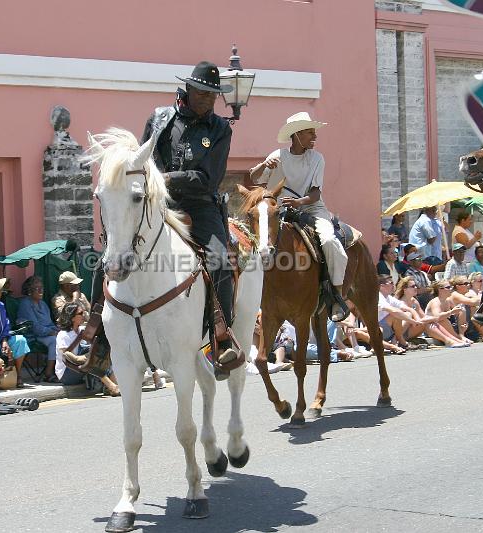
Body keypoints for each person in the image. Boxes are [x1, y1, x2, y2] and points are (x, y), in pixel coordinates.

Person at [140, 60, 240, 377]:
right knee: (115, 251)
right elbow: (143, 160)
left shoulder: (220, 129)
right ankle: (97, 338)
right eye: (206, 94)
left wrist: (168, 178)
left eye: (214, 95)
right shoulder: (159, 119)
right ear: (190, 89)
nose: (211, 101)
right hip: (159, 202)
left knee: (221, 260)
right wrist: (154, 184)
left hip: (201, 205)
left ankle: (221, 338)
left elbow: (209, 179)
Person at [247, 111, 350, 321]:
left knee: (330, 241)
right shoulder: (277, 156)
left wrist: (298, 202)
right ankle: (254, 292)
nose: (315, 136)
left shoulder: (317, 158)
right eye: (310, 132)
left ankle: (336, 296)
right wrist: (263, 166)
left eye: (314, 132)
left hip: (312, 208)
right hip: (281, 211)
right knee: (259, 244)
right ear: (296, 135)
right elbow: (254, 177)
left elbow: (315, 193)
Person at [55, 302, 120, 395]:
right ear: (72, 318)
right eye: (81, 313)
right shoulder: (63, 334)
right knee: (91, 362)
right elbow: (65, 355)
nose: (84, 315)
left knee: (103, 354)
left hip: (81, 367)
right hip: (67, 372)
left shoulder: (82, 330)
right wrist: (80, 358)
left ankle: (113, 385)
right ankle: (111, 387)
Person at [395, 277, 468, 348]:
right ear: (405, 290)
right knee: (428, 322)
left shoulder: (414, 301)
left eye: (416, 286)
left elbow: (423, 317)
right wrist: (434, 318)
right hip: (400, 333)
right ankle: (449, 340)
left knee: (431, 322)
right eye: (412, 286)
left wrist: (432, 319)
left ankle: (453, 340)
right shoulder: (401, 303)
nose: (416, 288)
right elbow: (417, 321)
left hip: (412, 330)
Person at [17, 276, 59, 382]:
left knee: (65, 336)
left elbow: (49, 323)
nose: (41, 291)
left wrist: (58, 330)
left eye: (42, 288)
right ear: (29, 291)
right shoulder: (26, 304)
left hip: (46, 334)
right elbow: (34, 327)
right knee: (54, 341)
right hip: (33, 336)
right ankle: (49, 373)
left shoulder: (43, 304)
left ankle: (61, 371)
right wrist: (51, 332)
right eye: (37, 288)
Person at [377, 275, 423, 352]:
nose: (393, 285)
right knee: (395, 315)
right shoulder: (378, 297)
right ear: (382, 286)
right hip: (378, 330)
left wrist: (417, 319)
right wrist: (413, 321)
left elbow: (408, 309)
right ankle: (401, 341)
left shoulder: (389, 297)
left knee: (407, 313)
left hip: (388, 329)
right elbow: (394, 311)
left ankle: (396, 340)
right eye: (391, 283)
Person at [424, 279, 472, 346]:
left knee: (462, 310)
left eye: (451, 287)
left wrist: (462, 328)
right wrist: (451, 312)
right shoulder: (436, 301)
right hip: (433, 327)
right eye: (448, 287)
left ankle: (460, 336)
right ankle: (455, 339)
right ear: (440, 289)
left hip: (444, 326)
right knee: (443, 320)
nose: (451, 289)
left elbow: (455, 313)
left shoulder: (447, 300)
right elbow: (437, 317)